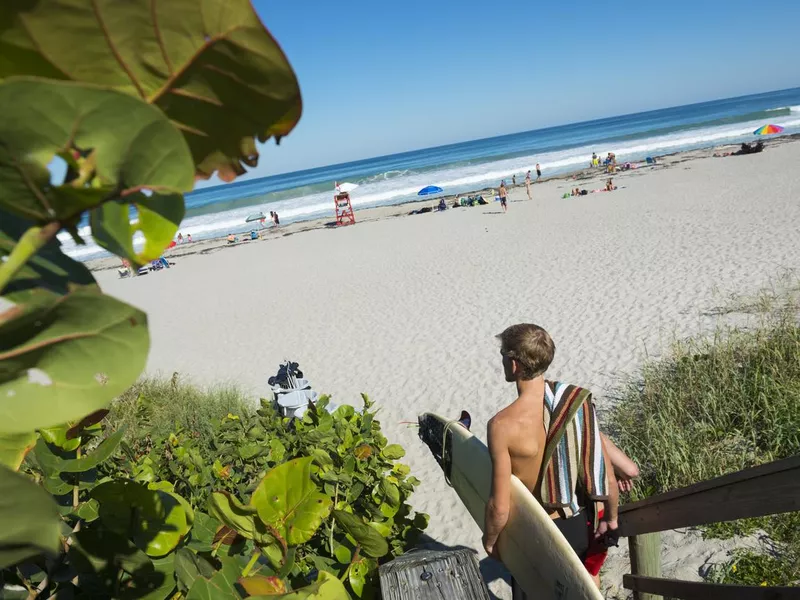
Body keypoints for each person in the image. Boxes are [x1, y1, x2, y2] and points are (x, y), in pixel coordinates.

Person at [484, 324, 632, 590]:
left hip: (535, 530)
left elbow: (500, 506)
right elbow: (605, 474)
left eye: (503, 354)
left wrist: (490, 540)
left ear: (514, 364)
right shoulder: (574, 404)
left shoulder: (501, 426)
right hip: (576, 527)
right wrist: (611, 519)